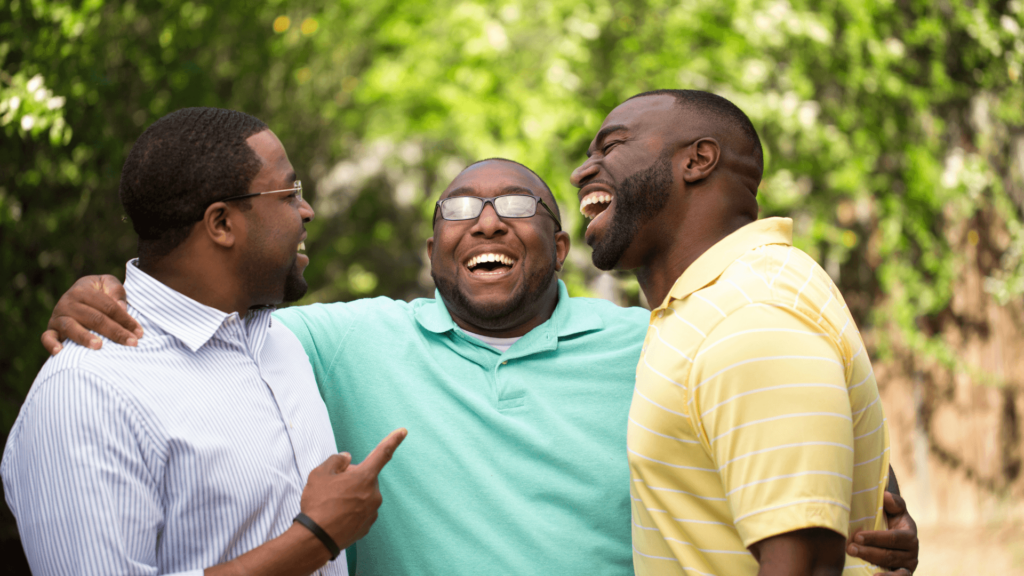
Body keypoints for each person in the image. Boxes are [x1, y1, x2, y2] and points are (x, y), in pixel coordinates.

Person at [38, 157, 918, 575]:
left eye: (517, 208)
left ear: (564, 247)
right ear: (433, 247)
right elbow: (205, 328)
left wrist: (874, 519)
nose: (487, 221)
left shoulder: (657, 345)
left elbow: (788, 436)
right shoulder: (332, 344)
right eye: (462, 207)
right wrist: (102, 295)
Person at [2, 107, 406, 576]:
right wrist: (315, 537)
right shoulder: (88, 392)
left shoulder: (281, 342)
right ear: (221, 224)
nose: (307, 209)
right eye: (290, 192)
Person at [571, 89, 915, 575]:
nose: (582, 171)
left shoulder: (750, 314)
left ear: (698, 159)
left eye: (611, 147)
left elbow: (807, 565)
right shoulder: (708, 307)